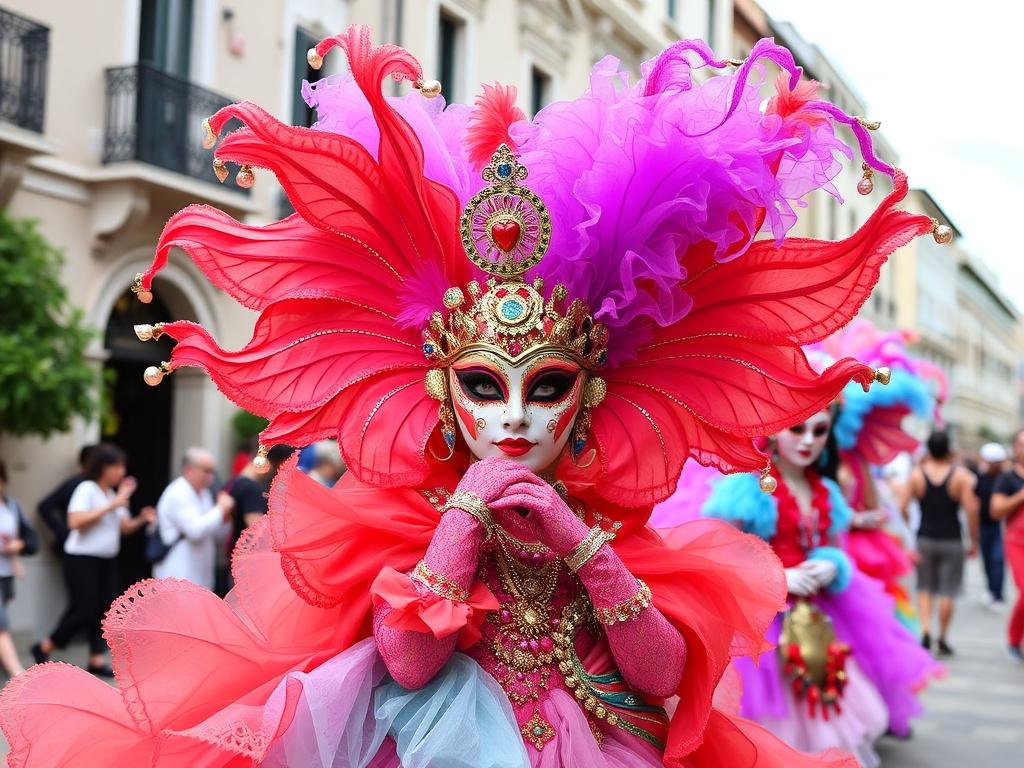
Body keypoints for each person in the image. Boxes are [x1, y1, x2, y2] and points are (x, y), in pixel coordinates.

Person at [0, 26, 943, 766]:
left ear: (593, 392)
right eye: (485, 389)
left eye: (549, 389)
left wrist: (584, 545)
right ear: (444, 395)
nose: (515, 418)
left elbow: (663, 675)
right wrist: (461, 518)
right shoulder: (398, 521)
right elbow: (408, 661)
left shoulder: (617, 522)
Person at [698, 408, 940, 766]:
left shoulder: (826, 489)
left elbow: (834, 543)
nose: (809, 440)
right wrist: (777, 577)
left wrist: (832, 563)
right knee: (772, 728)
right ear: (775, 430)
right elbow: (718, 551)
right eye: (798, 429)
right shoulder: (748, 485)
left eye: (820, 430)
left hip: (820, 616)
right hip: (764, 622)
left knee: (830, 706)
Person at [31, 444, 153, 676]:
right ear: (102, 468)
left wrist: (141, 519)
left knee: (106, 610)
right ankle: (46, 645)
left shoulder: (111, 495)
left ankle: (96, 659)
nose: (121, 471)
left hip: (106, 560)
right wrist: (113, 504)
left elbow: (124, 528)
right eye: (116, 466)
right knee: (84, 609)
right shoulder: (87, 489)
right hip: (81, 558)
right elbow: (75, 522)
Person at [905, 431, 978, 655]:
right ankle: (942, 637)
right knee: (948, 590)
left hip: (924, 537)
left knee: (924, 586)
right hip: (951, 538)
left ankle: (925, 630)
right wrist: (974, 541)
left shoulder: (917, 475)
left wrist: (910, 528)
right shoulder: (960, 476)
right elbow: (971, 509)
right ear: (948, 450)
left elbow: (901, 506)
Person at [153, 448, 234, 590]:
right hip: (178, 574)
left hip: (201, 577)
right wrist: (220, 509)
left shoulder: (204, 494)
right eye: (206, 471)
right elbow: (195, 531)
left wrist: (225, 518)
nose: (211, 476)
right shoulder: (178, 492)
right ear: (188, 470)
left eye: (212, 471)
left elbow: (216, 536)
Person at [0, 461, 39, 677]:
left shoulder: (11, 506)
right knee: (1, 623)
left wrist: (18, 545)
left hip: (6, 574)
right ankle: (17, 673)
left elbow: (30, 539)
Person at [990, 429, 1024, 662]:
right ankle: (1013, 639)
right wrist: (1020, 496)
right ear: (1015, 448)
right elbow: (996, 510)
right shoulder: (1007, 478)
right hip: (1017, 542)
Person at [35, 444, 96, 555]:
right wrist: (62, 531)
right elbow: (45, 506)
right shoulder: (75, 483)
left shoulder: (103, 487)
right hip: (76, 545)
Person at [975, 442, 1008, 608]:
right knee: (987, 559)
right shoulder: (980, 478)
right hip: (983, 525)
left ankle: (998, 594)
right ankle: (990, 589)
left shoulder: (1005, 478)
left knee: (997, 559)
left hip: (1000, 526)